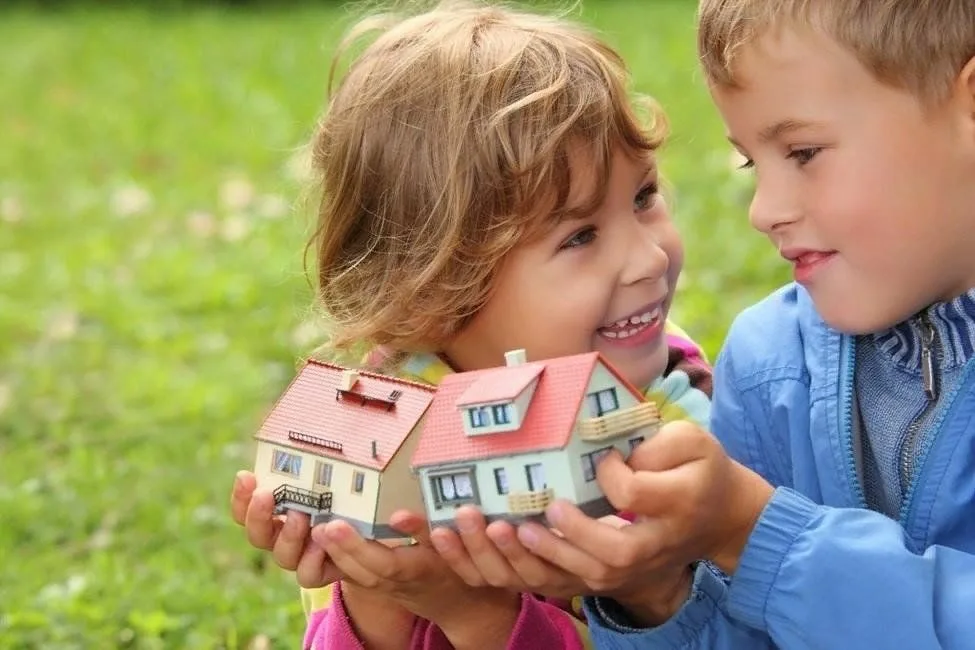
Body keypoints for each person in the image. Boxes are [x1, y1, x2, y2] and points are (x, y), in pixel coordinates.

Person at [454, 1, 975, 648]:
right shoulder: (767, 367)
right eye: (754, 163)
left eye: (803, 152)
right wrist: (652, 594)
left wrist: (754, 536)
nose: (765, 210)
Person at [229, 1, 715, 649]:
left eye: (643, 197)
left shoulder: (668, 411)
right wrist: (374, 592)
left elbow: (719, 631)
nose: (648, 257)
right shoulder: (379, 441)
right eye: (579, 237)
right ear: (434, 289)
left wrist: (471, 612)